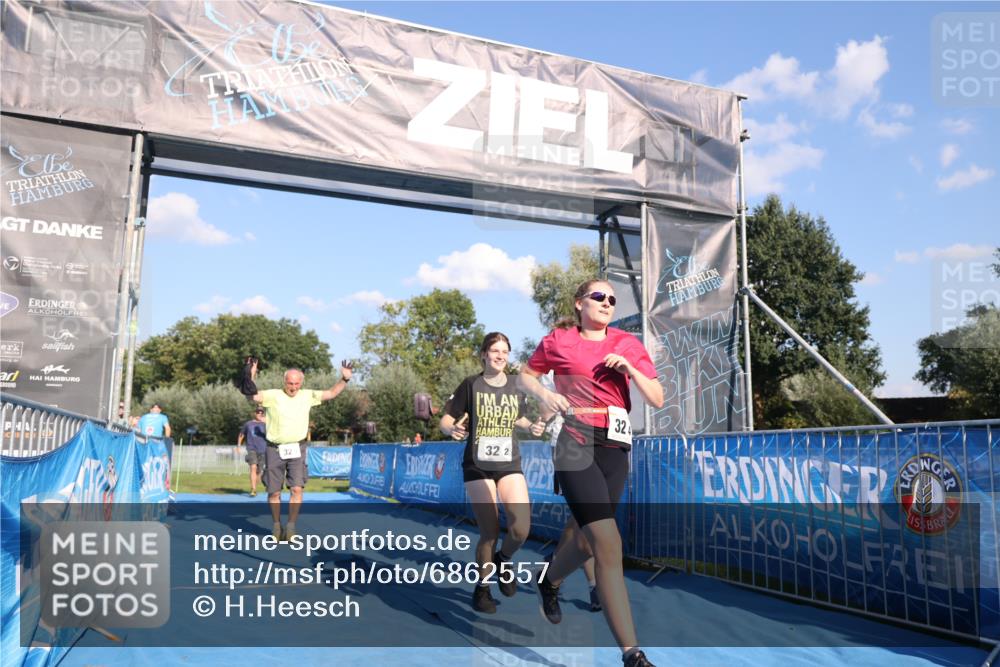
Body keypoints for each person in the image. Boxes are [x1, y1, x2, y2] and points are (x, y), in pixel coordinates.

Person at [519, 279, 664, 667]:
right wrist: (546, 395)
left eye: (612, 299)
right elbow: (525, 375)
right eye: (599, 296)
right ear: (580, 302)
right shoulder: (559, 341)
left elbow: (657, 397)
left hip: (615, 445)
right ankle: (632, 654)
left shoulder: (627, 344)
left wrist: (631, 368)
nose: (607, 303)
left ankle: (549, 580)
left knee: (587, 541)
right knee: (608, 542)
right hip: (574, 441)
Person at [440, 332, 548, 614]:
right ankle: (483, 587)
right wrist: (451, 428)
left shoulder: (515, 385)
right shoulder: (471, 384)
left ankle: (504, 558)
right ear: (484, 354)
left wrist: (532, 427)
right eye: (495, 351)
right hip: (477, 465)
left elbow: (520, 417)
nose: (500, 356)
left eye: (504, 351)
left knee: (521, 527)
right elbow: (446, 418)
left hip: (508, 462)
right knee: (489, 531)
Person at [249, 360, 353, 541]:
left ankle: (290, 526)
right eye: (290, 383)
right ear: (284, 382)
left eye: (297, 383)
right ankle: (276, 525)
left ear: (301, 383)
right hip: (275, 449)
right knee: (274, 492)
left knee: (297, 488)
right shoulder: (273, 395)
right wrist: (251, 374)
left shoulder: (307, 395)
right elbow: (252, 395)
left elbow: (331, 393)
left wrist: (344, 379)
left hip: (297, 448)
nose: (293, 387)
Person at [237, 407, 267, 497]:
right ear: (255, 413)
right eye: (258, 412)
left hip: (263, 449)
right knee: (253, 467)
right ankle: (253, 489)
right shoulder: (249, 424)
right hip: (251, 449)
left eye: (261, 412)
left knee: (259, 471)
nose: (260, 414)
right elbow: (241, 434)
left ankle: (255, 487)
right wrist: (238, 445)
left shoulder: (266, 424)